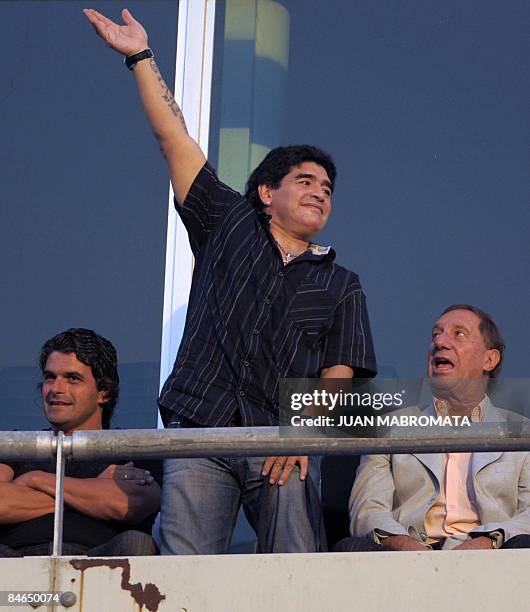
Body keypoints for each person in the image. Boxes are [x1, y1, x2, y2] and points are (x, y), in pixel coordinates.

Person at [83, 8, 377, 554]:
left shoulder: (341, 281)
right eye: (305, 181)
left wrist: (302, 435)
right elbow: (174, 139)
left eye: (328, 188)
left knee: (295, 567)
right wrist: (141, 58)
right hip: (202, 426)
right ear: (266, 193)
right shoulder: (229, 221)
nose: (320, 192)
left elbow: (341, 374)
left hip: (281, 436)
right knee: (187, 572)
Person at [335, 304, 530, 552]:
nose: (440, 342)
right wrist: (403, 544)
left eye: (458, 334)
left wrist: (488, 541)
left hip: (492, 554)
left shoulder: (521, 432)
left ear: (489, 359)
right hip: (410, 555)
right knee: (350, 548)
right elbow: (368, 509)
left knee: (524, 545)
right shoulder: (390, 427)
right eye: (436, 334)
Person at [0, 328, 161, 557]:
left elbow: (128, 504)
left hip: (102, 566)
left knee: (136, 542)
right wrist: (91, 490)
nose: (56, 389)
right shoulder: (20, 445)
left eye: (72, 379)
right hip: (16, 567)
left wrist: (34, 479)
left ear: (103, 393)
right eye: (50, 377)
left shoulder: (132, 449)